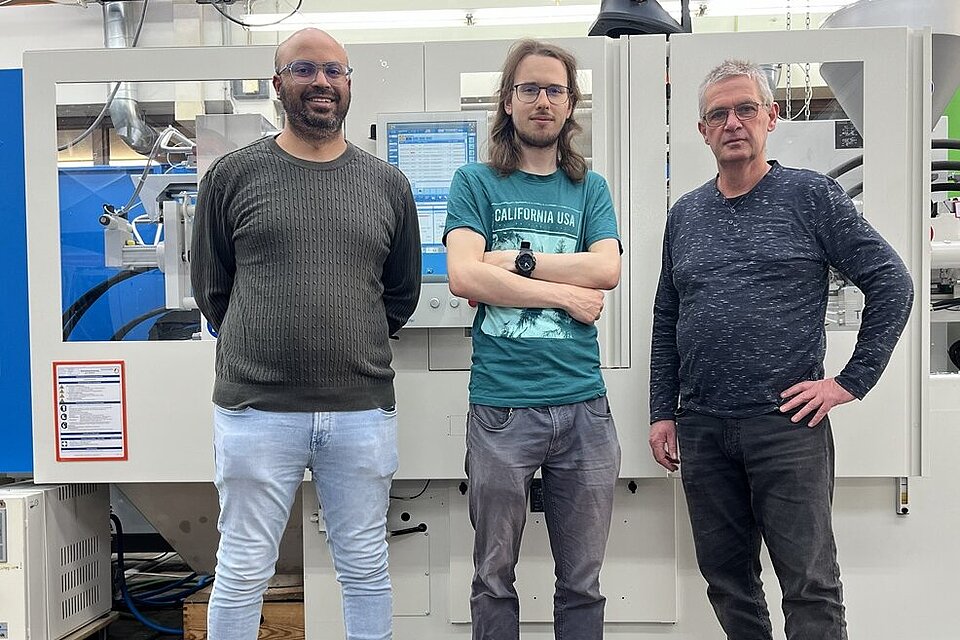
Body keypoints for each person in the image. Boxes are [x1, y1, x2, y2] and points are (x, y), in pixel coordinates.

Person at [648, 59, 914, 640]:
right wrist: (662, 411)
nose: (733, 122)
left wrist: (850, 381)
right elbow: (667, 314)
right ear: (702, 130)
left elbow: (893, 283)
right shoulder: (685, 215)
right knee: (726, 580)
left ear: (770, 117)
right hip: (703, 428)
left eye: (746, 109)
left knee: (809, 583)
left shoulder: (810, 196)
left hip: (786, 426)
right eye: (718, 114)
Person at [190, 28, 421, 640]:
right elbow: (213, 290)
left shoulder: (387, 185)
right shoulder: (232, 177)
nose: (322, 81)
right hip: (255, 410)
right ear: (278, 84)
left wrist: (350, 341)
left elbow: (400, 293)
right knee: (242, 569)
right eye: (304, 69)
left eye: (335, 71)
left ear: (349, 86)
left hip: (360, 411)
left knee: (366, 567)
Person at [443, 39, 622, 640]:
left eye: (555, 90)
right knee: (494, 576)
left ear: (571, 105)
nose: (542, 100)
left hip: (584, 409)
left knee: (583, 582)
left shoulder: (588, 189)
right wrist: (565, 293)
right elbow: (465, 276)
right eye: (530, 89)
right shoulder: (475, 182)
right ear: (508, 100)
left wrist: (510, 263)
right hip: (501, 408)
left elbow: (607, 271)